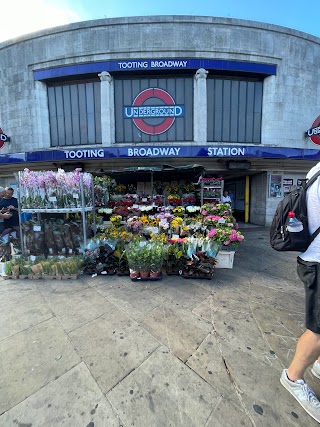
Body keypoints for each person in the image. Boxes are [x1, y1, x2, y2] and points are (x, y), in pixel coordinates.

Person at [280, 162, 320, 423]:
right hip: (318, 261)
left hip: (311, 257)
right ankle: (293, 378)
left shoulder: (314, 170)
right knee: (318, 329)